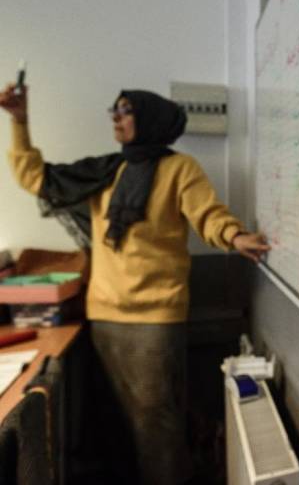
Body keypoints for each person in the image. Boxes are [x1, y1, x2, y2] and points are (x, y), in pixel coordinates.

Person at [1, 83, 269, 484]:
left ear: (150, 118)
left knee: (156, 425)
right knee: (115, 424)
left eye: (126, 110)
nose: (116, 117)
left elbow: (207, 214)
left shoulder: (179, 169)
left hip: (154, 320)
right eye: (115, 110)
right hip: (103, 318)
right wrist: (19, 121)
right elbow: (36, 177)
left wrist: (234, 235)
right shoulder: (106, 171)